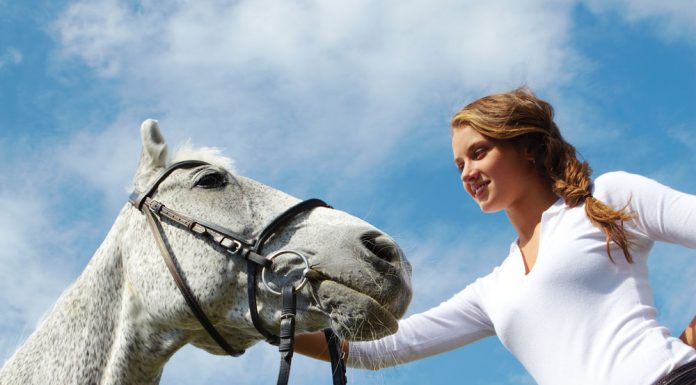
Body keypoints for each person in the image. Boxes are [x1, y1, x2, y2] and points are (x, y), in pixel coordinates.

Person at [295, 87, 696, 385]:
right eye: (458, 164)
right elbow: (381, 347)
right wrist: (259, 319)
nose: (467, 171)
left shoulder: (607, 199)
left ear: (528, 149)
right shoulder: (494, 289)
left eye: (479, 152)